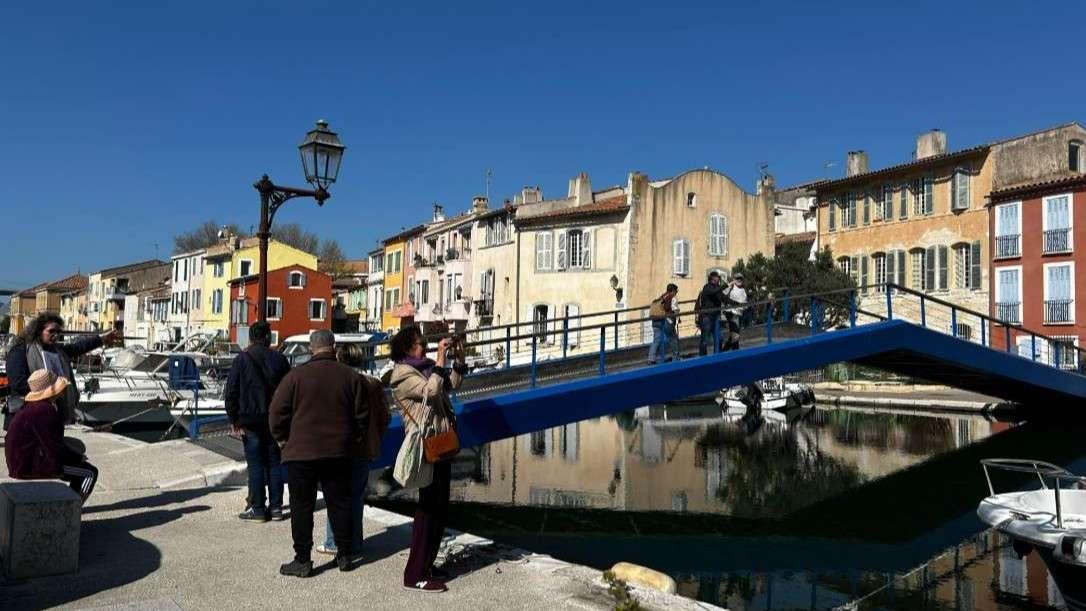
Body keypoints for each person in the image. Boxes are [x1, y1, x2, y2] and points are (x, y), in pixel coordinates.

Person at [269, 330, 374, 577]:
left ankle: (303, 560)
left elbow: (276, 414)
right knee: (340, 503)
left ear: (311, 348)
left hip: (301, 452)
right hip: (339, 451)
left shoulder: (295, 377)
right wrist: (353, 440)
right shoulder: (351, 376)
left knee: (302, 506)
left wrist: (283, 440)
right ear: (334, 347)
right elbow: (363, 416)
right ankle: (345, 554)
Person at [389, 326, 466, 593]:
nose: (425, 347)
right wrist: (440, 361)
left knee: (440, 507)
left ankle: (428, 564)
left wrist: (459, 359)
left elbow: (451, 385)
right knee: (428, 509)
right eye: (421, 344)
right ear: (407, 348)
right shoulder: (402, 375)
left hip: (440, 442)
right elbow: (431, 392)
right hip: (424, 446)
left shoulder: (426, 367)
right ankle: (415, 574)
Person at [316, 344, 390, 558]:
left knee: (335, 496)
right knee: (356, 496)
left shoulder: (336, 383)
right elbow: (383, 417)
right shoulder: (373, 384)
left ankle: (333, 542)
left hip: (338, 448)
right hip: (364, 449)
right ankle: (355, 542)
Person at [224, 321, 291, 522]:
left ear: (251, 338)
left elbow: (231, 391)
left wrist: (233, 418)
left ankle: (258, 509)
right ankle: (277, 508)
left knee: (255, 465)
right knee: (274, 463)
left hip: (250, 419)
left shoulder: (242, 359)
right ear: (268, 338)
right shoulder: (280, 359)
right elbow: (289, 391)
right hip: (273, 419)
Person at [4, 313, 117, 429]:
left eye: (58, 332)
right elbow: (18, 383)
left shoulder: (57, 351)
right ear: (38, 331)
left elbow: (77, 347)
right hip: (23, 418)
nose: (56, 335)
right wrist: (48, 394)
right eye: (51, 331)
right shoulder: (20, 351)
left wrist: (101, 339)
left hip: (50, 417)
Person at [4, 369, 98, 503]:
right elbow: (53, 447)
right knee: (90, 473)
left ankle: (68, 504)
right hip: (28, 466)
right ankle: (72, 511)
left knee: (78, 470)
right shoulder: (45, 410)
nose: (62, 391)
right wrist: (78, 457)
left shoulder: (32, 406)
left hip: (20, 461)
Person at [695, 271, 727, 356]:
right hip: (707, 317)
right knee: (705, 340)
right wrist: (725, 285)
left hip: (715, 317)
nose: (719, 279)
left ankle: (717, 355)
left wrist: (736, 304)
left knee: (719, 338)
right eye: (717, 277)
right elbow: (713, 292)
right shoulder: (707, 288)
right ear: (712, 279)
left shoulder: (717, 288)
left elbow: (724, 298)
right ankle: (702, 357)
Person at [648, 284, 679, 364]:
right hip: (664, 321)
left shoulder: (661, 297)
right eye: (676, 291)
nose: (676, 293)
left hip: (655, 321)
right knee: (672, 339)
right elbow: (673, 309)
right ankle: (675, 357)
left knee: (656, 340)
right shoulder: (671, 298)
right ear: (672, 291)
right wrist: (677, 318)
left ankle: (651, 359)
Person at [722, 273, 748, 351]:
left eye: (741, 278)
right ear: (734, 279)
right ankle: (735, 352)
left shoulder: (743, 290)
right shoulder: (731, 287)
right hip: (731, 313)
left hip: (739, 314)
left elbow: (744, 301)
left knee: (733, 335)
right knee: (736, 335)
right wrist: (730, 284)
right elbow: (722, 294)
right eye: (737, 278)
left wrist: (745, 306)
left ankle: (724, 351)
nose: (739, 280)